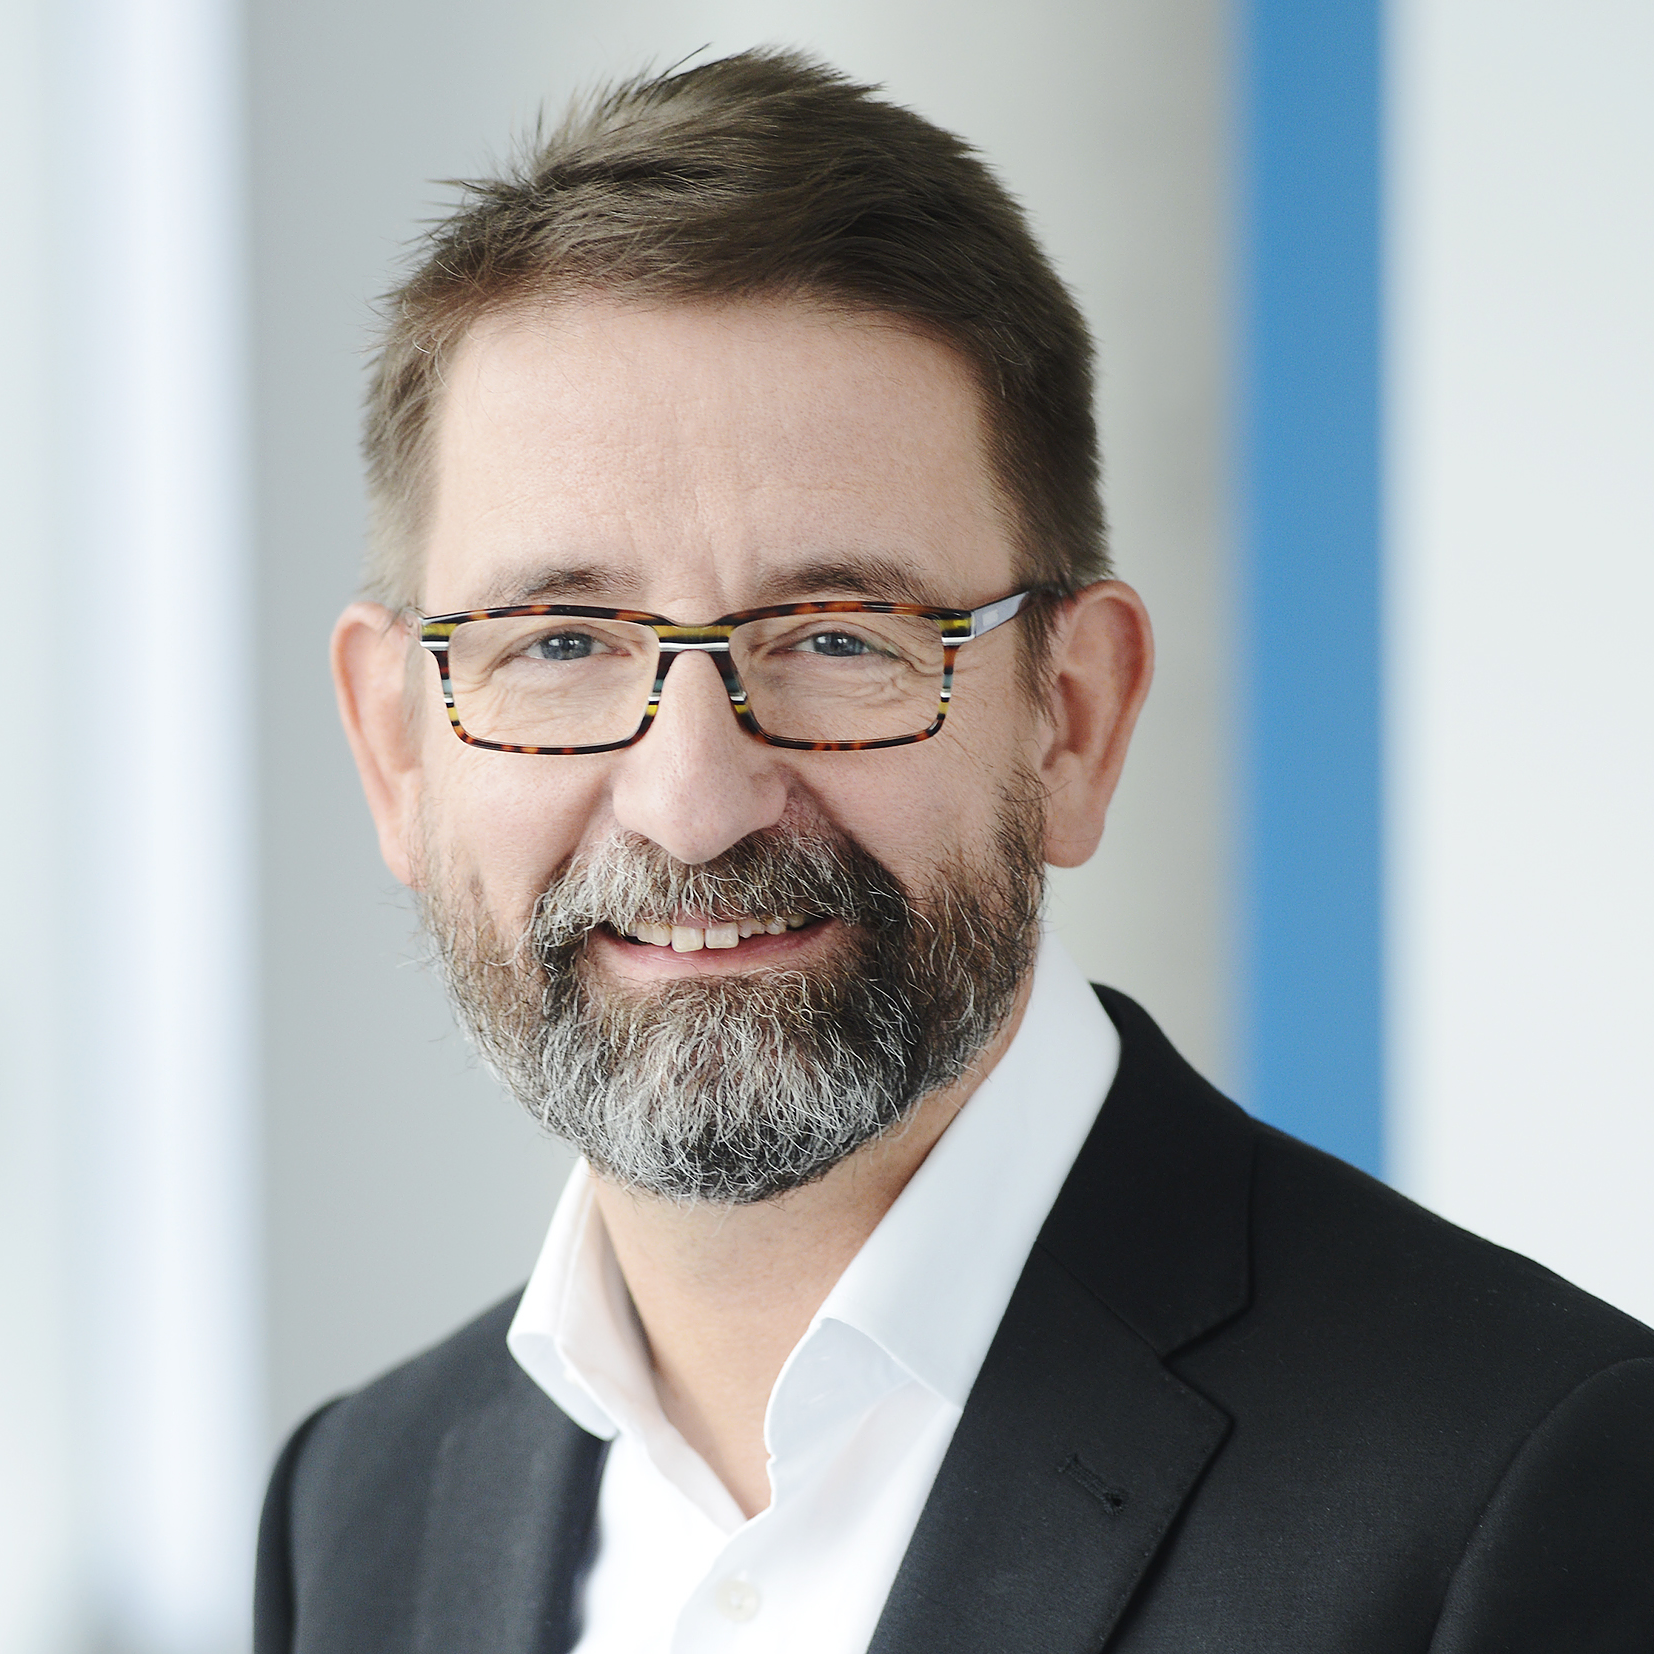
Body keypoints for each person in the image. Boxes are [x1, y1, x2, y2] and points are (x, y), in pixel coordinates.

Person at [254, 49, 1654, 1654]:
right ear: (395, 744)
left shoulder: (1523, 1487)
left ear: (1071, 717)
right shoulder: (355, 1507)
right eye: (560, 639)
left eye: (840, 637)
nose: (690, 800)